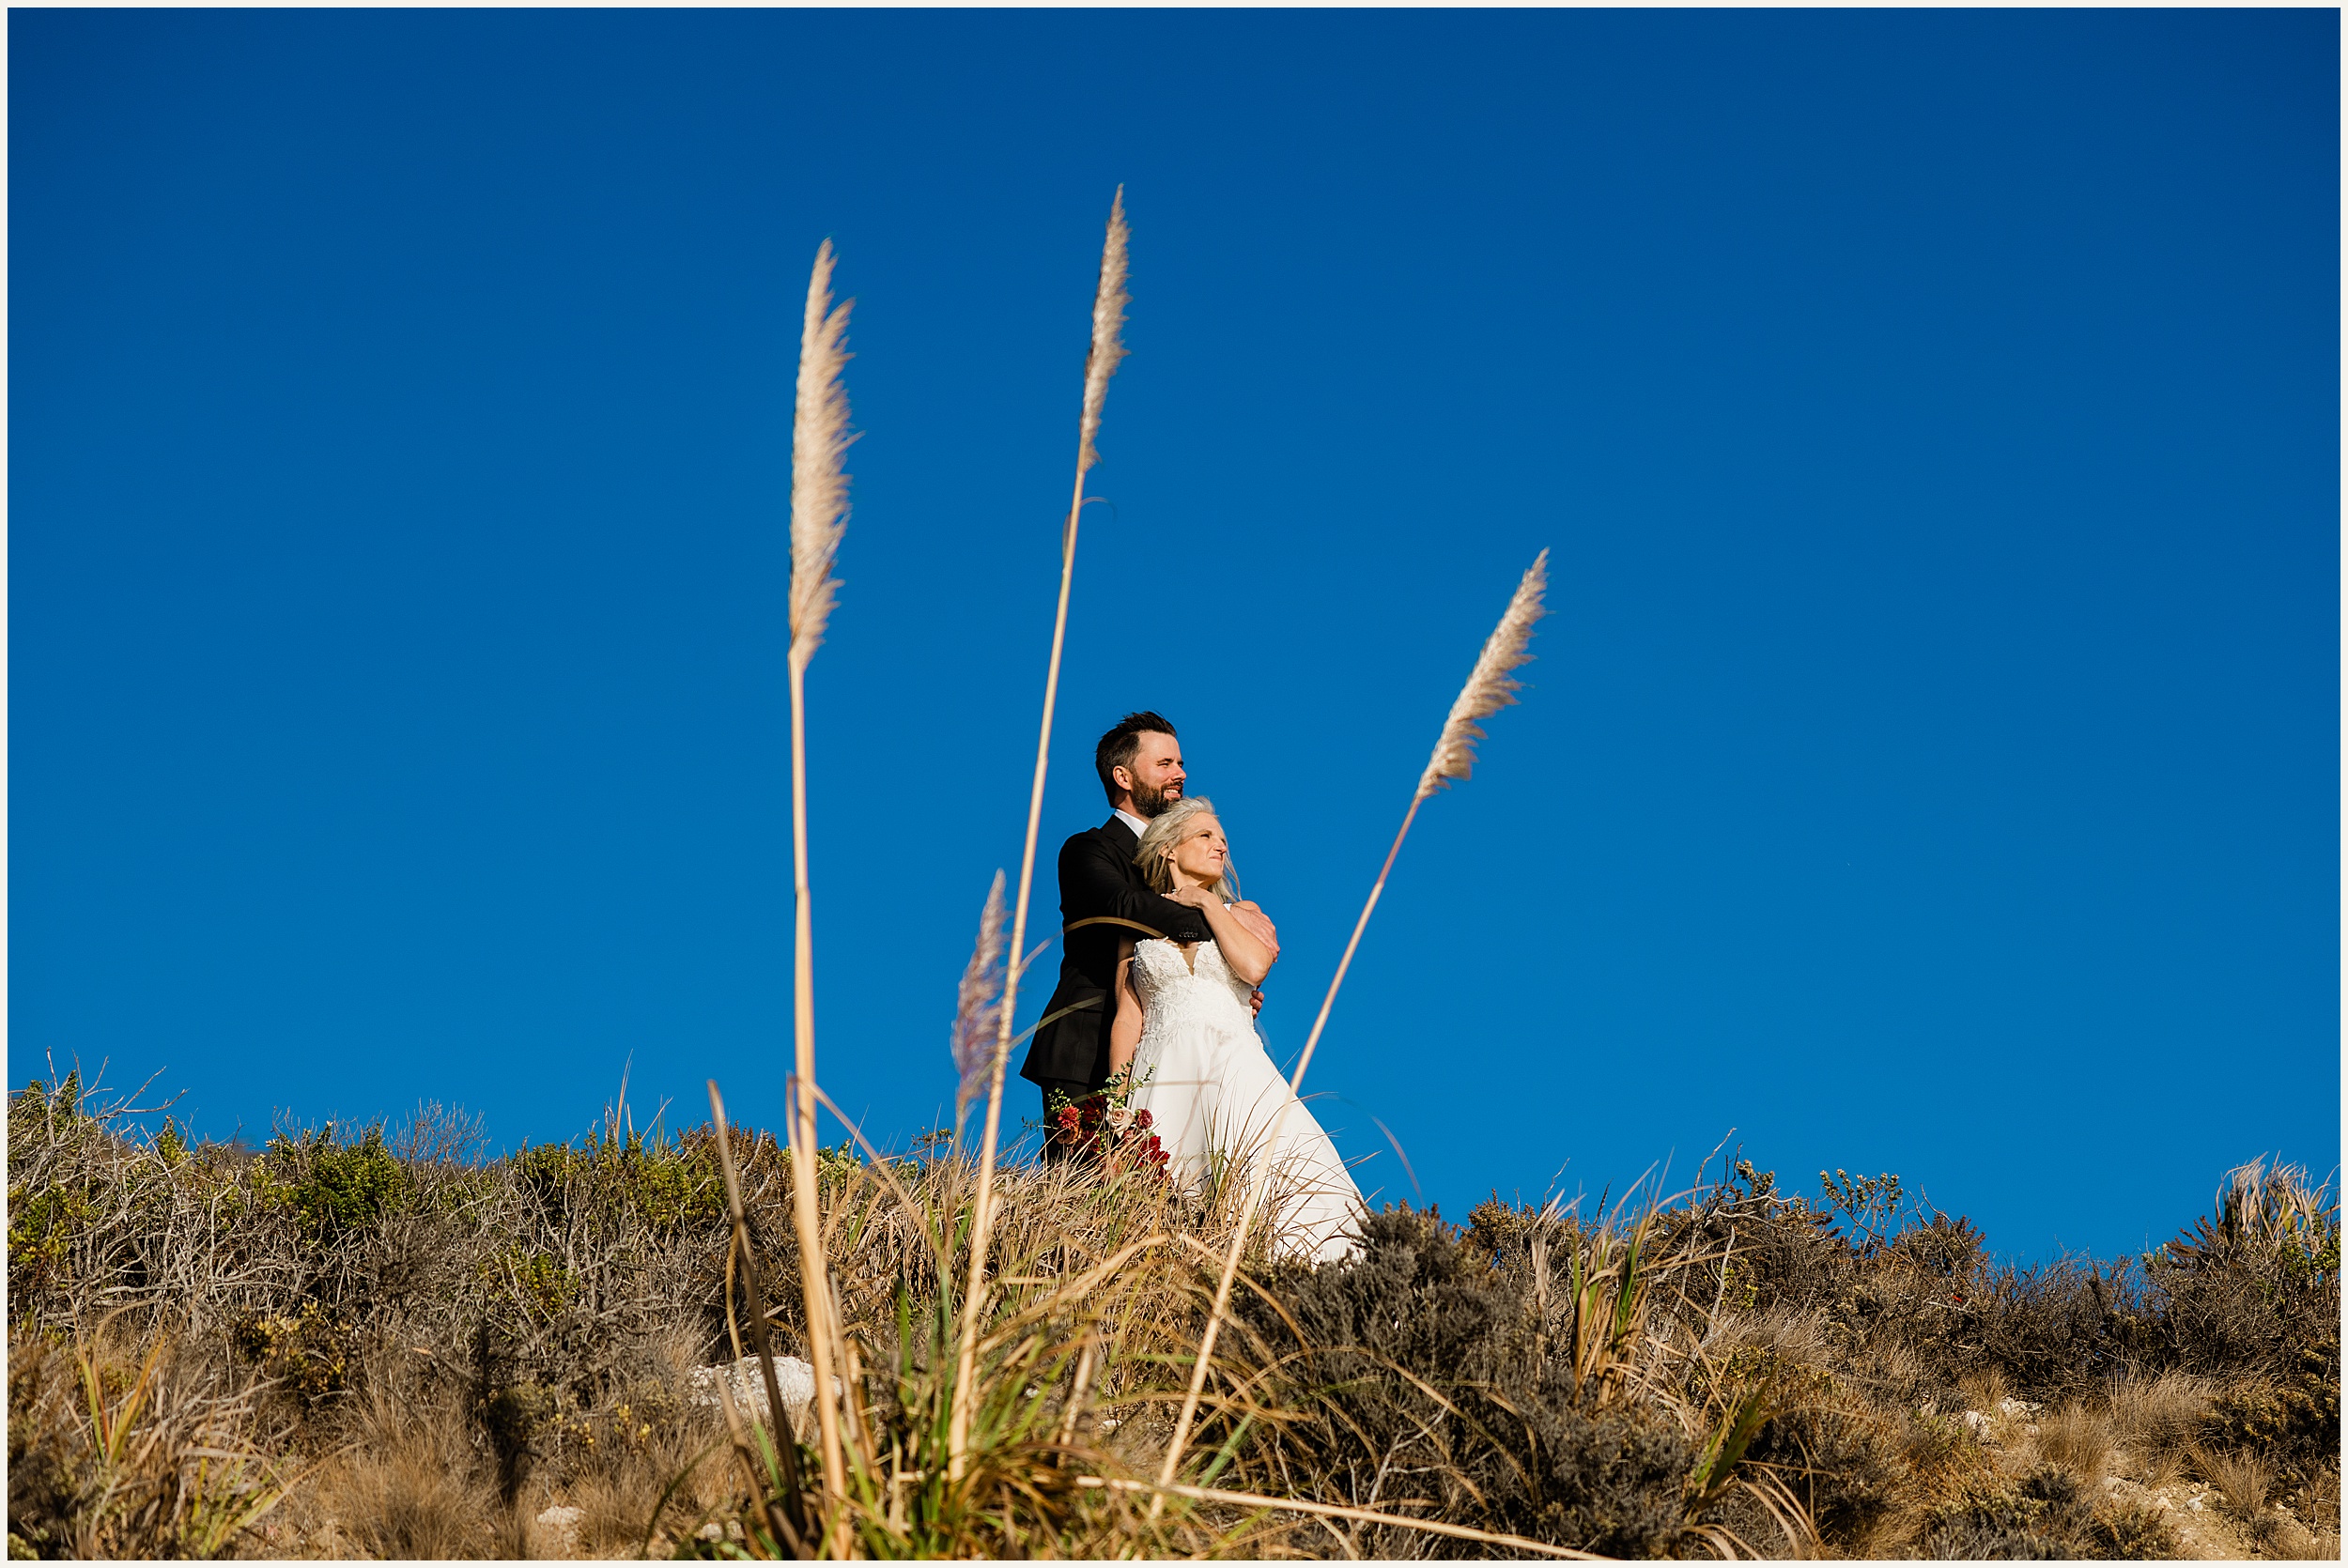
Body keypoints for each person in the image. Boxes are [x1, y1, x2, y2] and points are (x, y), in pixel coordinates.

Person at [1109, 797, 1364, 1264]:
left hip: (1231, 1062)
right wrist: (1118, 1097)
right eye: (1205, 835)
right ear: (1168, 849)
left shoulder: (1239, 910)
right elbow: (1127, 1016)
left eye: (1223, 840)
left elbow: (1252, 966)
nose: (1219, 846)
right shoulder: (1136, 921)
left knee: (1261, 1174)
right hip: (1160, 1065)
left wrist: (1207, 901)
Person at [1021, 713, 1264, 1156]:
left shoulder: (1193, 862)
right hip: (1088, 1046)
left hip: (1174, 1052)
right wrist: (1225, 932)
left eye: (1181, 763)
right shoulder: (1088, 849)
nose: (1181, 774)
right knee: (1089, 1199)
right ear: (1124, 776)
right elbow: (1124, 906)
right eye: (1166, 764)